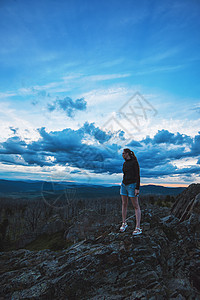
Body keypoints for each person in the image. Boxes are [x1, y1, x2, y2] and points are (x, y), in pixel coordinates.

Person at [120, 148, 142, 235]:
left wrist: (137, 188)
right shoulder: (125, 163)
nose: (122, 155)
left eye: (123, 153)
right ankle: (124, 223)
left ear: (127, 154)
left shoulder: (134, 162)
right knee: (124, 204)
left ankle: (138, 227)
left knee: (135, 205)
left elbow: (138, 175)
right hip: (124, 184)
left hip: (132, 185)